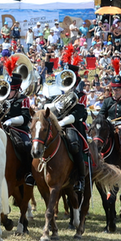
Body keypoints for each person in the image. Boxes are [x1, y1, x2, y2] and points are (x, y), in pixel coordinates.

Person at [47, 46, 90, 195]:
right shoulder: (57, 94)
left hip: (72, 126)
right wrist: (53, 105)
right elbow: (46, 107)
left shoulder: (80, 94)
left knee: (74, 144)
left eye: (69, 79)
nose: (66, 82)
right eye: (64, 78)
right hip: (55, 123)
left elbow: (80, 113)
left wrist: (62, 122)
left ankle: (80, 178)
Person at [0, 59, 34, 187]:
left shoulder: (24, 99)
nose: (7, 94)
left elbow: (25, 117)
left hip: (19, 129)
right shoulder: (1, 98)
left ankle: (28, 173)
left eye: (10, 91)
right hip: (1, 128)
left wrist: (11, 121)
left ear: (17, 89)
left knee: (26, 146)